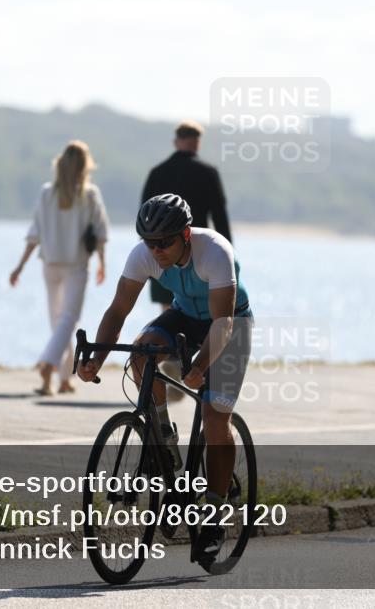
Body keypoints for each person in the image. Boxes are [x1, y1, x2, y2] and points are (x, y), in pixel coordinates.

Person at [76, 194, 252, 564]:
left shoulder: (215, 251)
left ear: (185, 235)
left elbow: (222, 324)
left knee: (214, 418)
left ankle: (214, 516)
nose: (156, 251)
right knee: (142, 355)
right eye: (149, 243)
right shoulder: (142, 255)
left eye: (164, 243)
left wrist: (199, 366)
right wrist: (96, 359)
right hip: (184, 316)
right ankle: (165, 449)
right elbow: (118, 310)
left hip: (229, 323)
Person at [142, 120, 233, 400]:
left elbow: (145, 214)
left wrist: (151, 251)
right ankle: (188, 364)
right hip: (200, 253)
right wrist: (228, 253)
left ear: (176, 141)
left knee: (172, 309)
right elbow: (219, 215)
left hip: (161, 252)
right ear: (197, 142)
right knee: (204, 310)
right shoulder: (207, 172)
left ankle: (174, 358)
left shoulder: (158, 172)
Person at [10, 140, 109, 396]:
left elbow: (34, 234)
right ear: (85, 166)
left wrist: (20, 266)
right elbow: (100, 233)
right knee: (67, 321)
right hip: (76, 265)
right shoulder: (90, 195)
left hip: (50, 264)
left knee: (59, 324)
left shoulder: (46, 193)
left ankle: (63, 379)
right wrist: (102, 262)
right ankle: (49, 364)